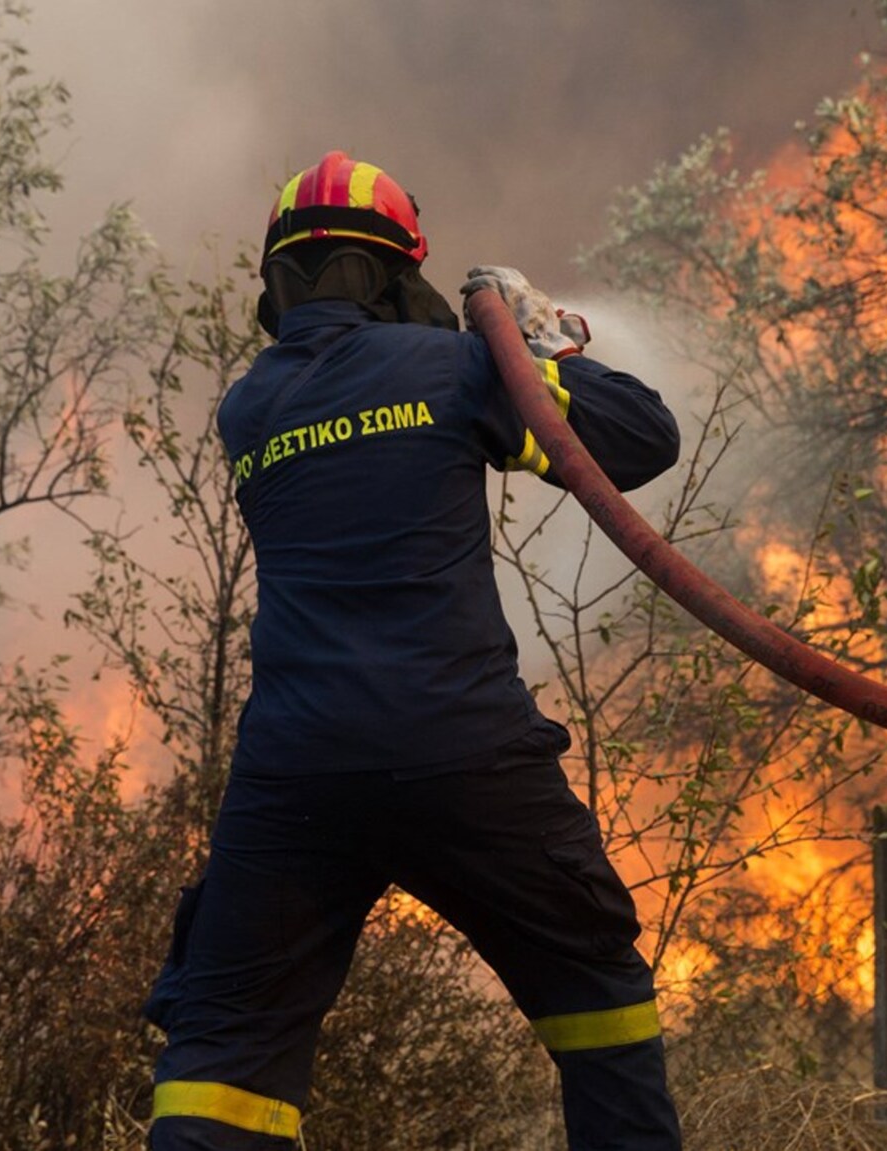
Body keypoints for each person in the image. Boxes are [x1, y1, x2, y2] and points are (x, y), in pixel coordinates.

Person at [143, 150, 685, 1151]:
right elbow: (643, 438)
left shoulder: (249, 409)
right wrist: (531, 346)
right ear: (394, 275)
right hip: (462, 749)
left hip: (295, 772)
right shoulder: (452, 370)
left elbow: (357, 399)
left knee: (219, 1058)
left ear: (279, 285)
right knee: (596, 988)